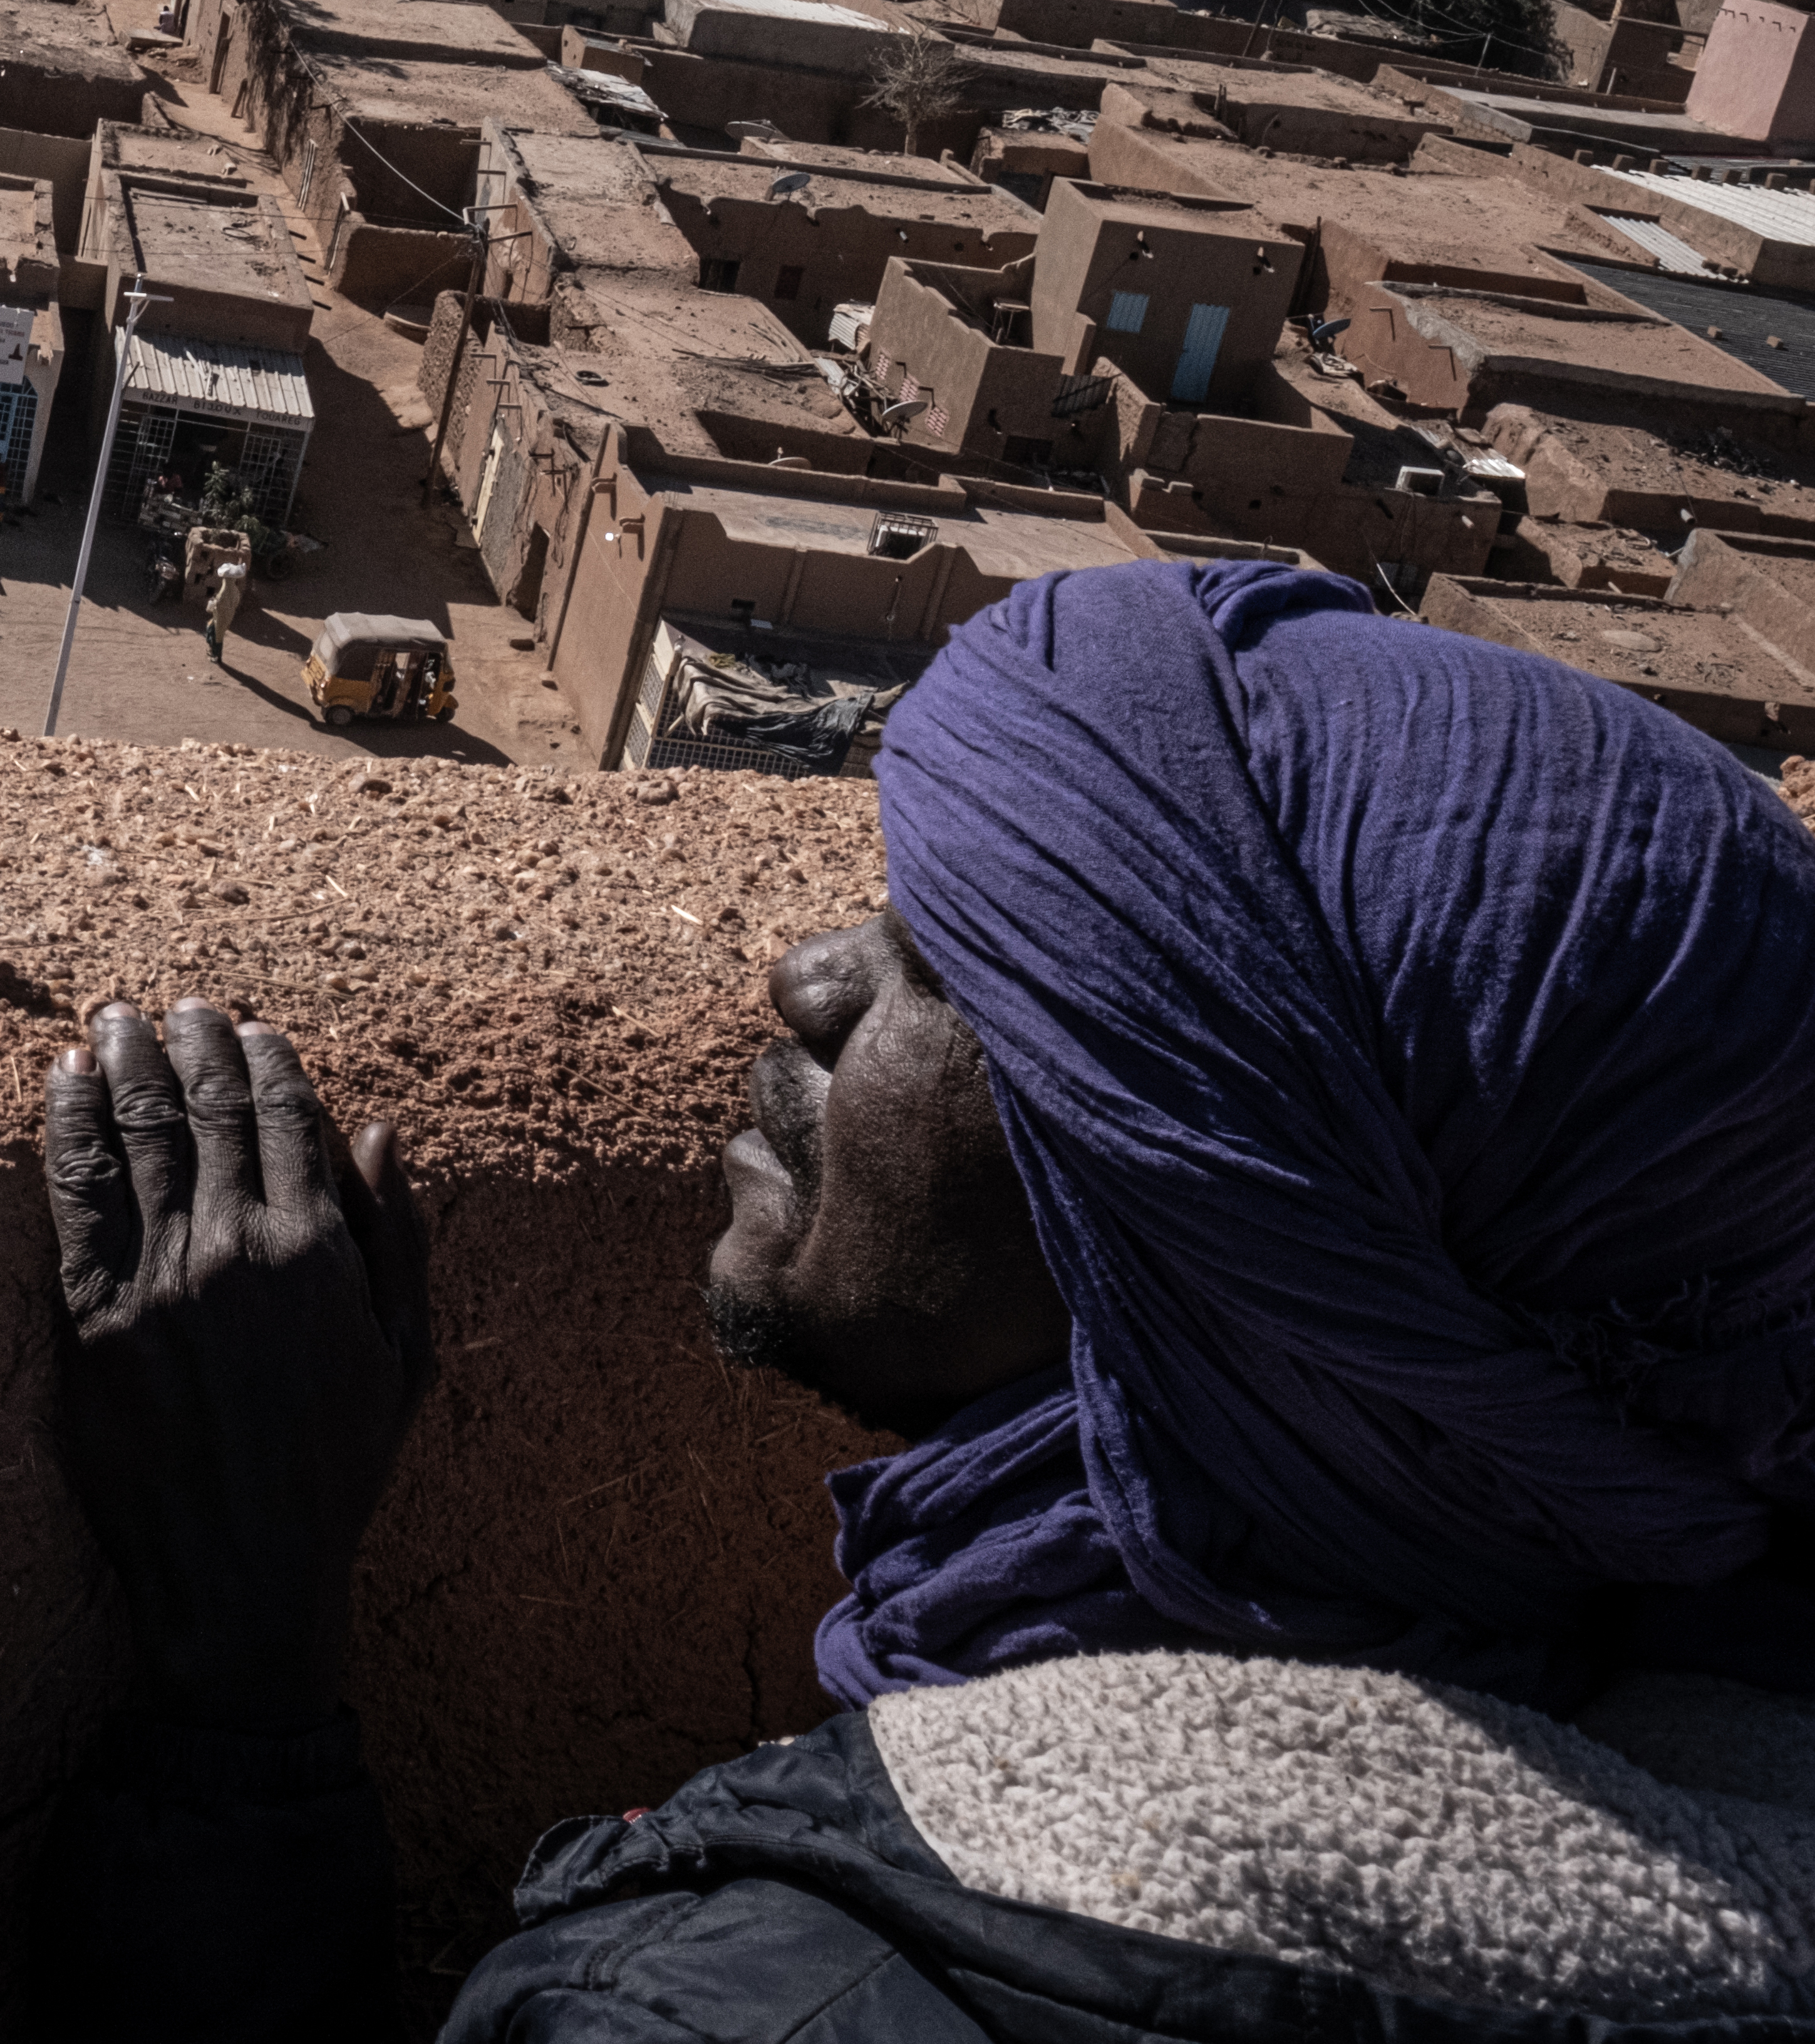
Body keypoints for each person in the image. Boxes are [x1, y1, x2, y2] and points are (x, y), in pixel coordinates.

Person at [33, 557, 1815, 2042]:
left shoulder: (788, 2006)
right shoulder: (1710, 1748)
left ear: (1247, 1239)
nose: (806, 978)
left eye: (963, 967)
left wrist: (239, 1693)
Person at [203, 554, 249, 667]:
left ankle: (216, 656)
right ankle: (216, 655)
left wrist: (214, 603)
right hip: (227, 617)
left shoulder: (224, 592)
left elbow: (218, 605)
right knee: (217, 634)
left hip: (220, 618)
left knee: (214, 635)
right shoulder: (235, 591)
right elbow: (236, 603)